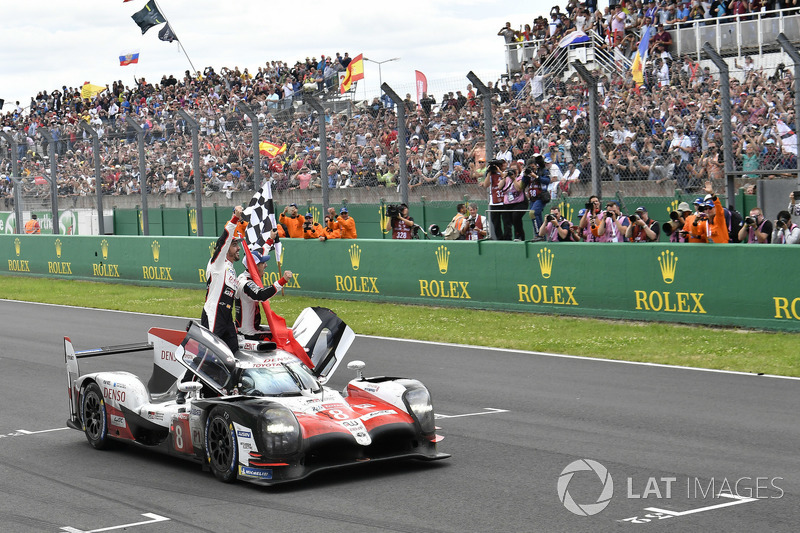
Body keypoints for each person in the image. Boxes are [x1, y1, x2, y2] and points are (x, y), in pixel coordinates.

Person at [201, 206, 245, 353]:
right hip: (214, 313)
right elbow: (223, 242)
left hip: (226, 316)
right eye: (234, 245)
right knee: (208, 354)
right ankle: (189, 377)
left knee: (233, 351)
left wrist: (270, 240)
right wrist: (234, 219)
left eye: (237, 245)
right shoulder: (217, 263)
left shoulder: (230, 267)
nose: (238, 248)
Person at [235, 246, 294, 340]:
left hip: (248, 331)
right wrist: (282, 281)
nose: (266, 265)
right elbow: (261, 295)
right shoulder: (245, 283)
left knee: (283, 332)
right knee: (286, 337)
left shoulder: (244, 277)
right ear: (254, 266)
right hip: (249, 335)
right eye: (262, 263)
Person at [481, 158, 507, 240]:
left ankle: (507, 238)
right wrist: (489, 173)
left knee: (506, 222)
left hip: (504, 202)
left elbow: (506, 179)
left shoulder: (504, 173)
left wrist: (499, 171)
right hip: (494, 203)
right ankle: (500, 239)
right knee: (496, 223)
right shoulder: (491, 175)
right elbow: (485, 185)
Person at [501, 164, 527, 241]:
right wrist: (504, 177)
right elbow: (499, 187)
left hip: (519, 202)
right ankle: (507, 237)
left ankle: (519, 236)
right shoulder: (506, 179)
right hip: (508, 203)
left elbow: (519, 188)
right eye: (511, 169)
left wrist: (514, 179)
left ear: (518, 170)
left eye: (515, 169)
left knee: (516, 217)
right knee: (507, 219)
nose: (513, 171)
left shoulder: (521, 178)